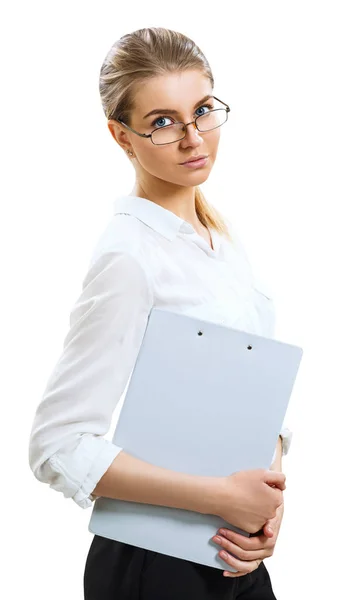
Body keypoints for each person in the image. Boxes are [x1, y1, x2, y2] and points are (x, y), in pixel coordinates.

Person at [28, 27, 292, 600]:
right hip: (154, 566)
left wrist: (266, 504)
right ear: (121, 137)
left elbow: (248, 388)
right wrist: (223, 497)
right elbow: (57, 444)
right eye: (165, 122)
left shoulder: (218, 235)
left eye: (202, 111)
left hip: (229, 554)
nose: (194, 139)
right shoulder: (129, 256)